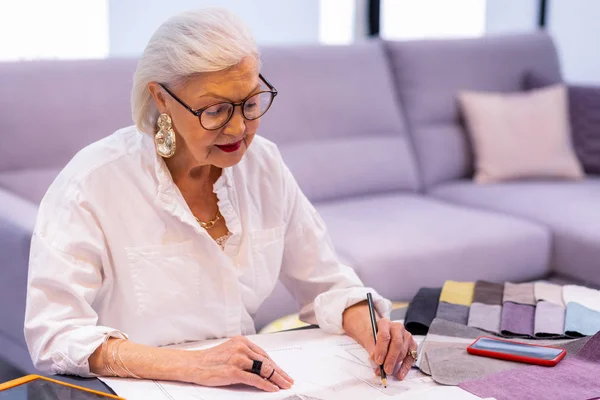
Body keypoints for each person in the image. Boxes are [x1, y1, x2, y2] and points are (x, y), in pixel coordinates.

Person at [24, 8, 417, 393]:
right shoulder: (92, 183)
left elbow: (327, 283)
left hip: (238, 387)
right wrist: (193, 366)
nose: (240, 129)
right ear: (161, 99)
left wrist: (375, 331)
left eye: (249, 103)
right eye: (215, 111)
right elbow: (54, 334)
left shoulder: (263, 165)